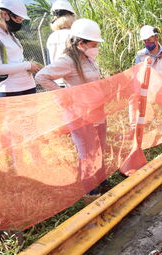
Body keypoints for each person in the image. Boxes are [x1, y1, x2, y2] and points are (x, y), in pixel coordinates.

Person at [35, 19, 107, 197]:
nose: (96, 47)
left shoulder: (88, 58)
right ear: (81, 43)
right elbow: (41, 76)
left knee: (99, 148)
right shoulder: (67, 61)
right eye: (93, 44)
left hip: (96, 110)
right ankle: (91, 192)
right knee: (87, 153)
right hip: (79, 114)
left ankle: (102, 179)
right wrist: (64, 95)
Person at [0, 0, 42, 97]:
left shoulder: (8, 32)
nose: (20, 23)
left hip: (28, 86)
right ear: (4, 14)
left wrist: (29, 66)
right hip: (9, 90)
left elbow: (13, 59)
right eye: (18, 19)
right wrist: (27, 65)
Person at [46, 0, 76, 64]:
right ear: (72, 16)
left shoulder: (51, 37)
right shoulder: (75, 34)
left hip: (56, 73)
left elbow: (49, 63)